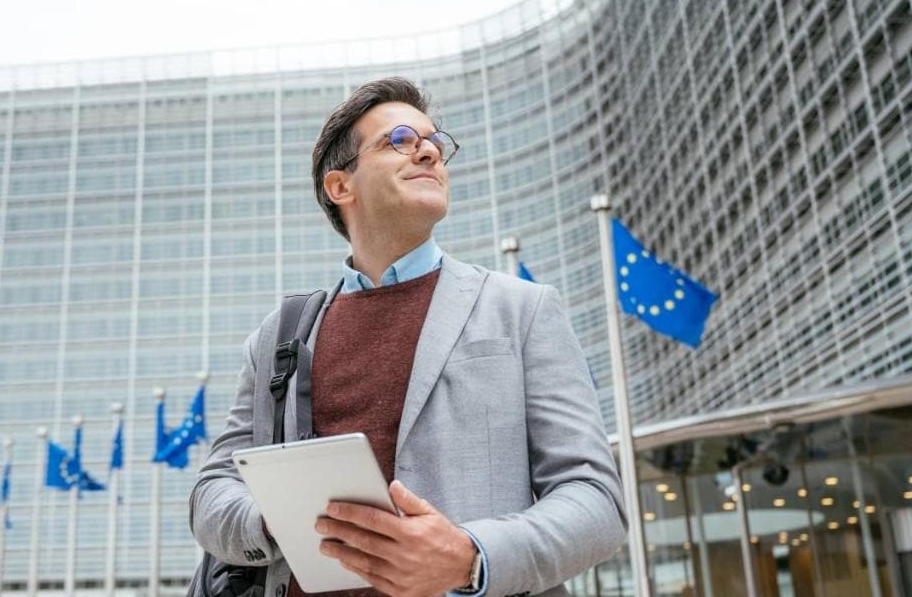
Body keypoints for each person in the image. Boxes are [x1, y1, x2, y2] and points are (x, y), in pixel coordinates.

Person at [191, 77, 627, 597]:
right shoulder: (279, 336)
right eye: (399, 140)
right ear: (340, 187)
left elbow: (596, 501)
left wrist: (470, 556)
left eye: (434, 142)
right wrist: (276, 520)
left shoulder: (522, 309)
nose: (427, 151)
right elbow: (212, 492)